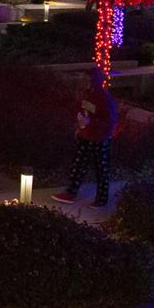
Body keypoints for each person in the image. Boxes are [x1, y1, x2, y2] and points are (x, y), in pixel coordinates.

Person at [52, 67, 119, 208]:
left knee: (101, 168)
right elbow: (80, 110)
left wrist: (92, 123)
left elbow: (110, 121)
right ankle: (70, 193)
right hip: (85, 136)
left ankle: (101, 198)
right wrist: (79, 125)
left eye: (87, 79)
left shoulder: (104, 99)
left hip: (99, 139)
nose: (84, 82)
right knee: (78, 165)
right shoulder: (86, 95)